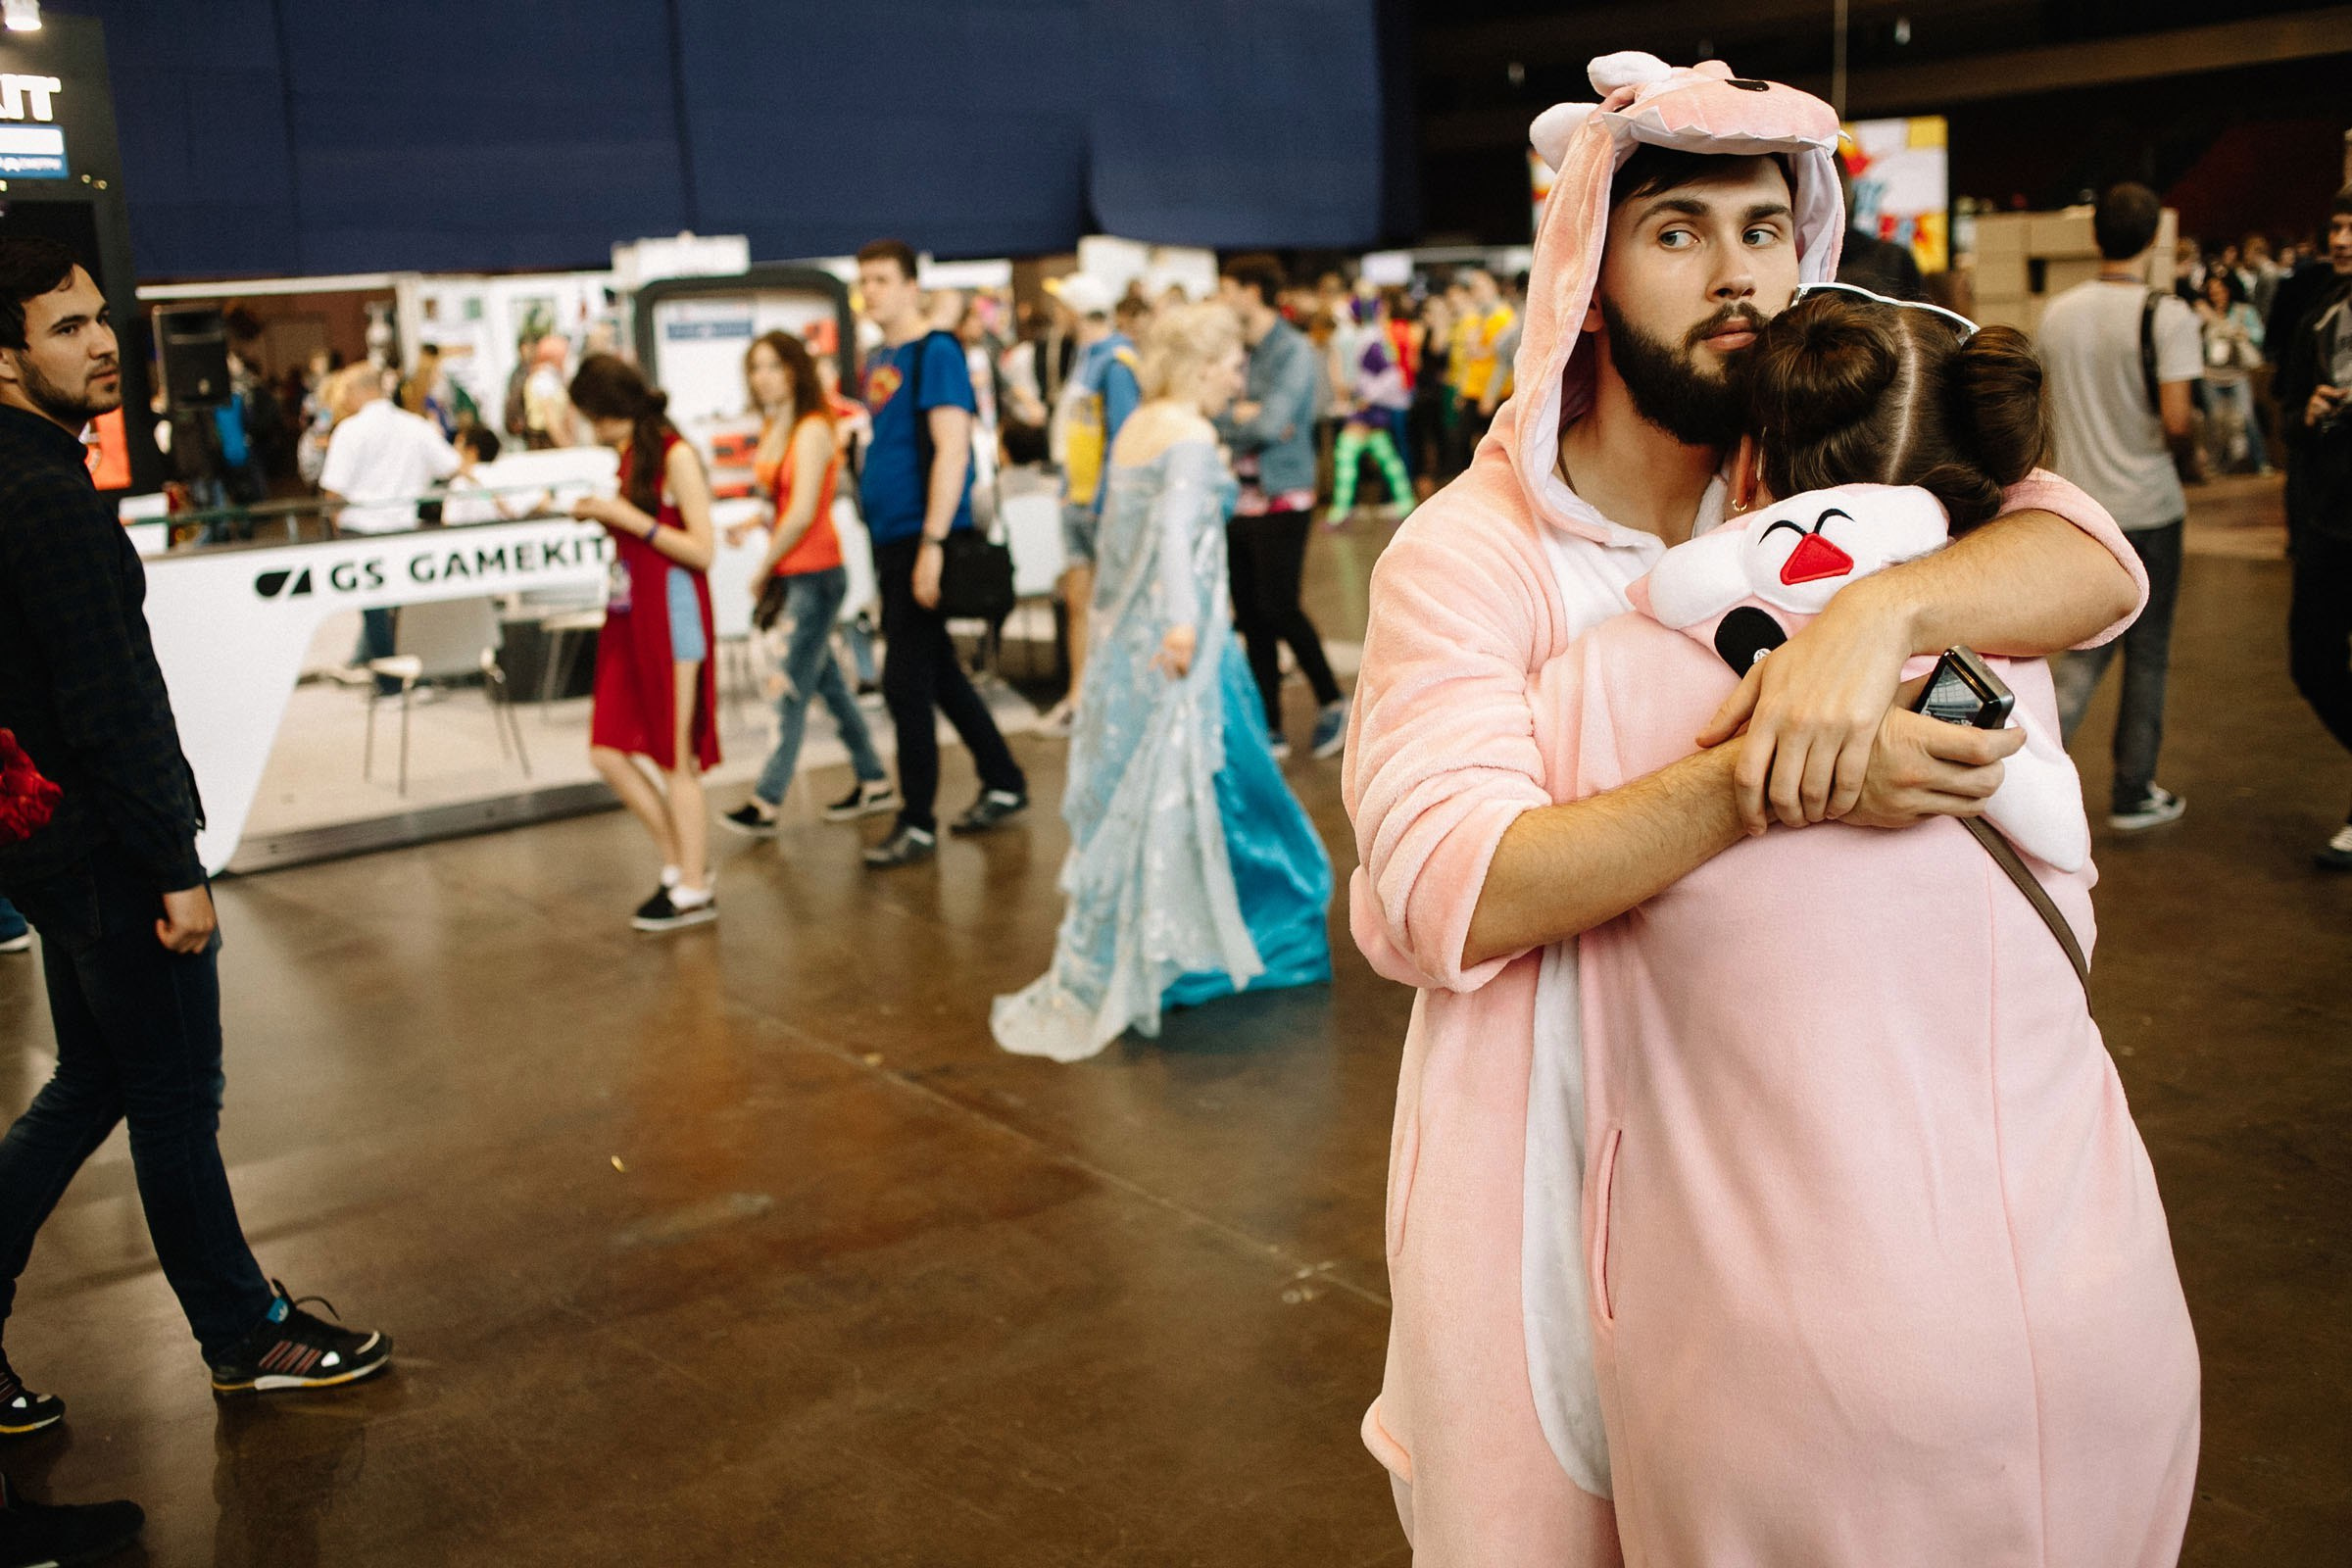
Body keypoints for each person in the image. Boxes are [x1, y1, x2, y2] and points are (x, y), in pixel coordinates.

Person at [1341, 57, 2146, 1562]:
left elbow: (2092, 560)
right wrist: (1759, 767)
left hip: (1830, 1255)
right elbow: (1459, 887)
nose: (1737, 278)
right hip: (1557, 1201)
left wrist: (1876, 619)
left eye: (1766, 230)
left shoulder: (1812, 470)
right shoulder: (1470, 555)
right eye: (1679, 232)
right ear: (1589, 271)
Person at [1526, 282, 2195, 1564]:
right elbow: (2079, 545)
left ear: (1751, 455)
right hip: (2106, 1320)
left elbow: (1432, 893)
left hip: (1793, 1383)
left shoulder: (1607, 686)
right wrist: (1896, 604)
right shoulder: (2016, 656)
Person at [0, 236, 392, 1415]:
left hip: (53, 849)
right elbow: (111, 697)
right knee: (173, 1096)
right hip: (109, 853)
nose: (104, 339)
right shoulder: (40, 491)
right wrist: (176, 865)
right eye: (67, 326)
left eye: (101, 317)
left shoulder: (20, 472)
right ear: (7, 357)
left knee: (92, 1082)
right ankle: (242, 1330)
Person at [992, 304, 1332, 1062]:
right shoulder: (1188, 433)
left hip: (1135, 639)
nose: (1239, 379)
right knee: (1221, 787)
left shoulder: (1140, 426)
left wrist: (1123, 633)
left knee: (1162, 792)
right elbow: (1179, 537)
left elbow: (1122, 541)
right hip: (1187, 642)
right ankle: (1207, 944)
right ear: (1205, 367)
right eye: (1232, 366)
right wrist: (1184, 628)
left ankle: (1173, 937)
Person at [852, 238, 1030, 869]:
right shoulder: (882, 357)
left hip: (924, 538)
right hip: (895, 538)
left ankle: (917, 820)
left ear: (910, 286)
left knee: (905, 682)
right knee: (938, 675)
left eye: (880, 279)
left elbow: (951, 449)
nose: (869, 291)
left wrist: (930, 543)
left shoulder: (938, 351)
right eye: (863, 280)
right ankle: (1004, 778)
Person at [2039, 182, 2203, 832]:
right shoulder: (2168, 315)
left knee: (2076, 655)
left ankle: (2024, 773)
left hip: (2079, 511)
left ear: (2094, 236)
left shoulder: (2057, 313)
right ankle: (2134, 791)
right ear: (2156, 238)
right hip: (2150, 510)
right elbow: (2177, 419)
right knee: (2150, 653)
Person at [565, 354, 721, 931]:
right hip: (634, 612)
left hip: (672, 614)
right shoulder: (633, 457)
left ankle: (693, 881)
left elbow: (702, 549)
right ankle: (681, 865)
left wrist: (624, 518)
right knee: (608, 748)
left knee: (675, 756)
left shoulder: (674, 454)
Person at [718, 331, 895, 836]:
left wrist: (763, 566)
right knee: (828, 685)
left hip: (814, 573)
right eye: (755, 368)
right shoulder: (781, 425)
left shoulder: (815, 428)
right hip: (798, 569)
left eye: (773, 365)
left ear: (795, 368)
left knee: (790, 687)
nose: (763, 377)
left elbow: (800, 515)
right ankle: (873, 778)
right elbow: (783, 506)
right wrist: (756, 527)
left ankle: (767, 798)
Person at [1215, 255, 1349, 760]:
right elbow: (1215, 414)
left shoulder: (1291, 350)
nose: (1222, 300)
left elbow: (1272, 424)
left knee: (1279, 606)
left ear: (1251, 292)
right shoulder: (1240, 350)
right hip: (1239, 497)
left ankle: (1333, 702)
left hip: (1283, 494)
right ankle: (1269, 723)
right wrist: (1240, 415)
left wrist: (1244, 417)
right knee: (1250, 615)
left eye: (1227, 289)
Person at [2274, 184, 2352, 869]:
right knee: (2312, 659)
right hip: (2329, 521)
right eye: (2337, 225)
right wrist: (2308, 412)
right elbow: (2289, 410)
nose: (2343, 239)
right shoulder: (2320, 315)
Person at [1037, 274, 1142, 736]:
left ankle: (1111, 697)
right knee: (1081, 601)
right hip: (1079, 499)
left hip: (1095, 504)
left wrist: (1100, 499)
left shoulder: (1115, 362)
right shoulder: (1088, 359)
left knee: (1108, 604)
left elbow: (1123, 434)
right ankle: (1081, 695)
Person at [318, 362, 461, 693]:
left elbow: (334, 491)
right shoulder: (415, 426)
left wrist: (337, 525)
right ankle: (416, 670)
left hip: (361, 528)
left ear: (357, 391)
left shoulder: (350, 431)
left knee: (375, 609)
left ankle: (388, 681)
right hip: (402, 527)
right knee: (404, 602)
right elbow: (452, 466)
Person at [1325, 297, 1415, 527]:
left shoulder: (1370, 340)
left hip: (1368, 408)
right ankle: (1405, 502)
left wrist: (1367, 396)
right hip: (1370, 407)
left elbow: (1390, 376)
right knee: (1386, 457)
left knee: (1346, 455)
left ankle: (1340, 512)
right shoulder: (1371, 337)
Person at [2195, 268, 2269, 474]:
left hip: (2237, 373)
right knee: (2214, 421)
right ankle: (2216, 464)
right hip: (2211, 373)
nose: (2216, 295)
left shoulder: (2243, 312)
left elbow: (2259, 336)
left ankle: (2260, 460)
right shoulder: (2203, 313)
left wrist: (2241, 332)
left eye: (2220, 291)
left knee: (2247, 417)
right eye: (2212, 291)